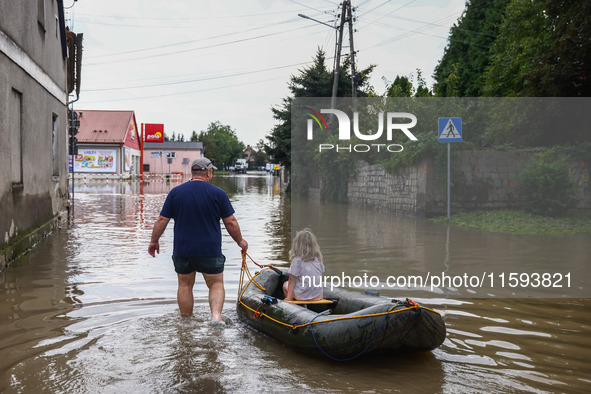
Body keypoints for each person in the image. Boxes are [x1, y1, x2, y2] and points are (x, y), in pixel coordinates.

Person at [148, 157, 248, 320]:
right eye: (212, 172)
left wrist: (154, 241)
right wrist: (240, 242)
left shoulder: (176, 193)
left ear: (192, 172)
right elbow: (230, 222)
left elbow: (162, 220)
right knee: (215, 284)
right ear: (208, 172)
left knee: (185, 284)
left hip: (183, 250)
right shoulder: (218, 193)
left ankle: (186, 322)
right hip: (209, 250)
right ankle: (216, 318)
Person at [283, 228, 325, 301]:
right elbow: (320, 274)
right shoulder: (318, 258)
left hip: (301, 296)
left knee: (285, 284)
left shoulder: (297, 260)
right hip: (318, 296)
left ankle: (293, 305)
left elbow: (292, 280)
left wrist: (289, 299)